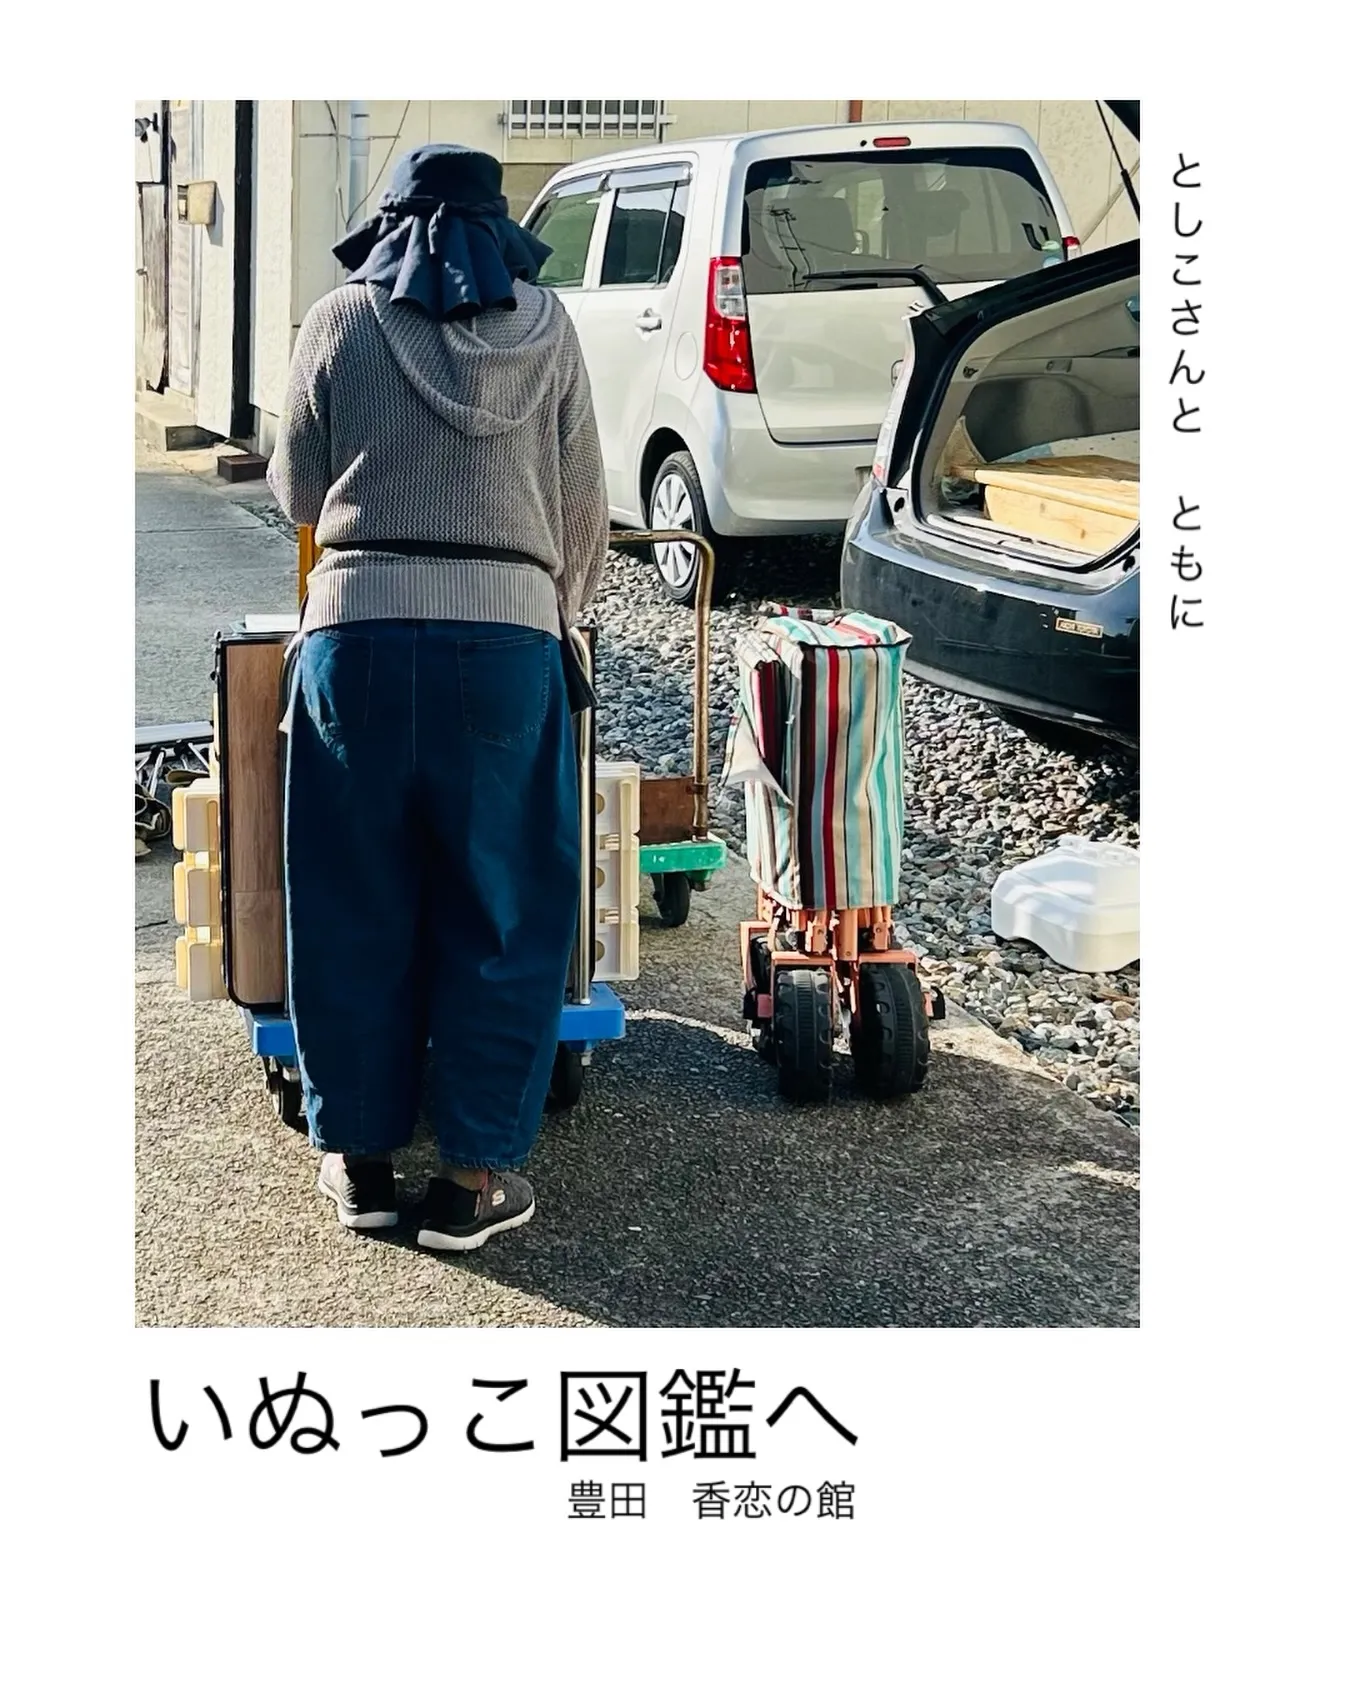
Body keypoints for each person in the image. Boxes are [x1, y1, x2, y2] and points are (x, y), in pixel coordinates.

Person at [267, 144, 608, 1252]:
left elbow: (296, 487)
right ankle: (470, 1180)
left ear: (392, 224)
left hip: (356, 636)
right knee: (501, 908)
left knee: (350, 897)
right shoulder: (549, 326)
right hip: (507, 640)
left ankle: (362, 1164)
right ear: (498, 230)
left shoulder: (339, 319)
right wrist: (555, 610)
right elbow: (584, 510)